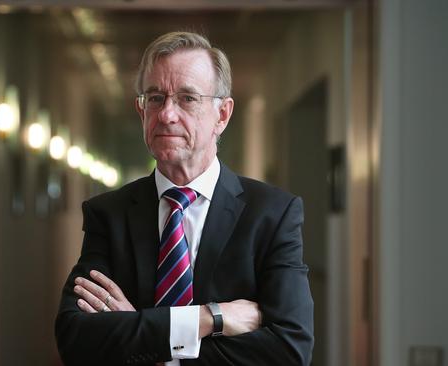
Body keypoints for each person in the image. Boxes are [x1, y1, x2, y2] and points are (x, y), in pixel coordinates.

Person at [55, 31, 314, 366]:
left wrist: (145, 336)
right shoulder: (109, 214)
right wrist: (208, 319)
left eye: (188, 98)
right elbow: (76, 339)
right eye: (156, 98)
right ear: (141, 110)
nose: (166, 115)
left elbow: (290, 351)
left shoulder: (273, 214)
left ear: (222, 115)